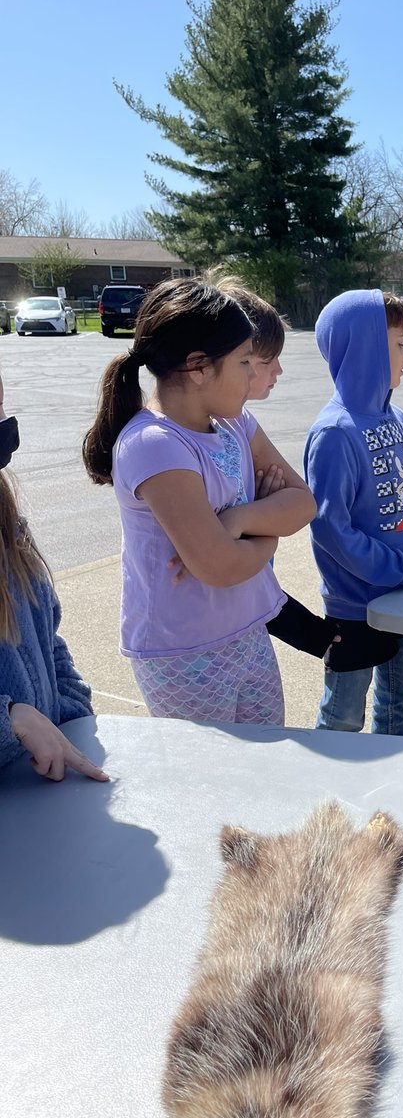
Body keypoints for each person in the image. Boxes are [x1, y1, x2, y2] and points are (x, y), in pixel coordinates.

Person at [83, 278, 316, 725]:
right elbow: (219, 567)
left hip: (247, 632)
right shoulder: (154, 444)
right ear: (198, 367)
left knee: (265, 770)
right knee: (213, 785)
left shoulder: (235, 425)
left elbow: (303, 502)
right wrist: (267, 534)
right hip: (183, 654)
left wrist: (239, 518)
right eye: (245, 361)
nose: (255, 374)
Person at [304, 289, 403, 735]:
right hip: (356, 609)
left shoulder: (399, 420)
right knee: (343, 713)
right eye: (398, 344)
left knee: (398, 703)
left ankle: (392, 795)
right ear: (366, 349)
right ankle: (332, 795)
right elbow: (333, 531)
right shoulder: (334, 433)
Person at [214, 276, 339, 660]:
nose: (279, 370)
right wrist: (264, 517)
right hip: (214, 634)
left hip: (247, 623)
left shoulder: (240, 422)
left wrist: (248, 519)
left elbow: (301, 503)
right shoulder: (191, 438)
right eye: (267, 361)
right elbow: (227, 560)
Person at [0, 378, 108, 781]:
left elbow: (49, 640)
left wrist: (70, 714)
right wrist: (12, 720)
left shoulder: (9, 523)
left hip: (36, 784)